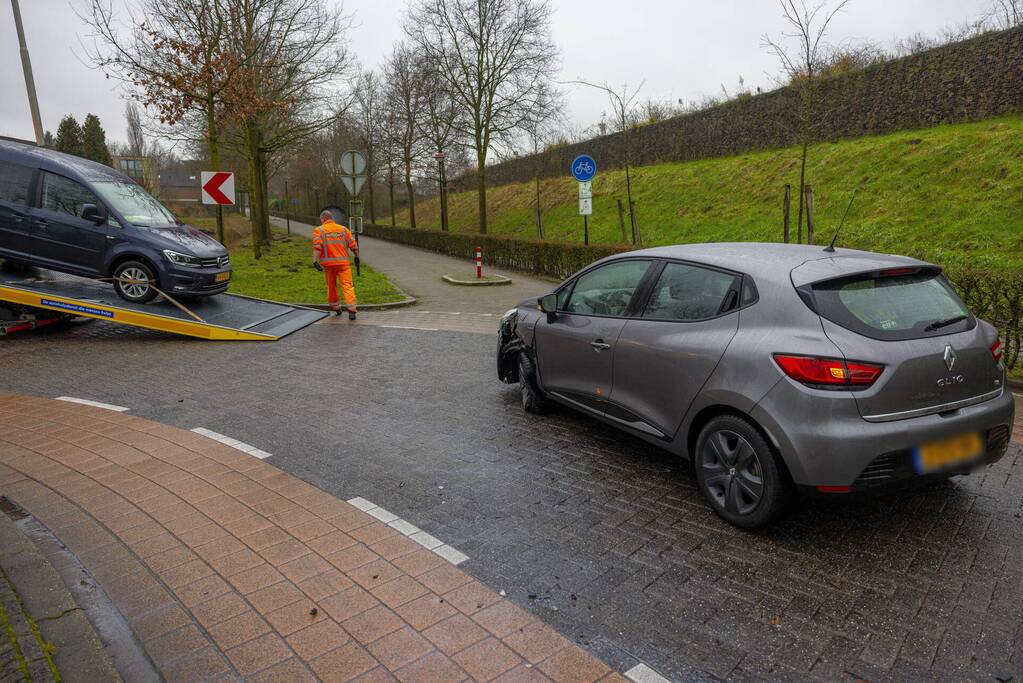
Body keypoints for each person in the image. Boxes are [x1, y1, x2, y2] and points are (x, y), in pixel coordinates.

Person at [312, 209, 360, 319]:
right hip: (343, 264)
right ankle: (352, 310)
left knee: (332, 286)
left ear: (322, 219)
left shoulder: (319, 230)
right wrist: (357, 256)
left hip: (328, 265)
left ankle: (336, 307)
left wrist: (315, 261)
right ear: (332, 219)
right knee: (347, 285)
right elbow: (353, 245)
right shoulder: (343, 229)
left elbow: (317, 247)